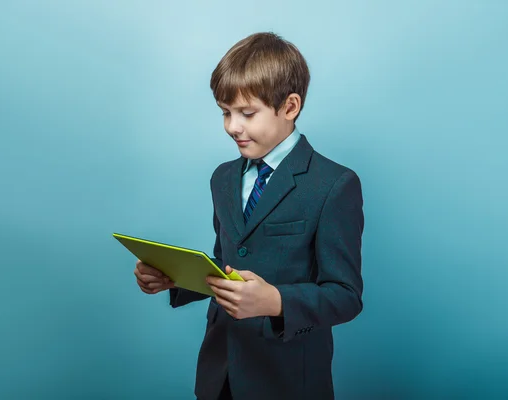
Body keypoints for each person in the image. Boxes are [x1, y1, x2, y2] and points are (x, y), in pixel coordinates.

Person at [134, 32, 364, 400]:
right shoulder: (223, 177)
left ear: (290, 107)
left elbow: (346, 295)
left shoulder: (334, 184)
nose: (232, 127)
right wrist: (173, 279)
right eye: (226, 112)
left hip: (287, 380)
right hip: (219, 371)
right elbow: (227, 264)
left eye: (247, 113)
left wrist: (276, 301)